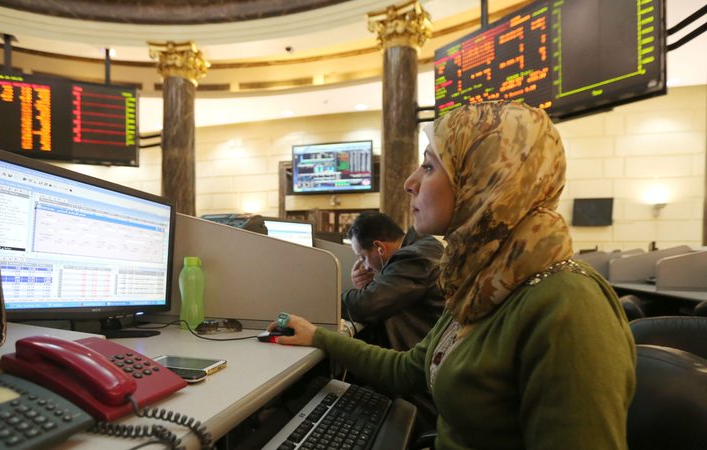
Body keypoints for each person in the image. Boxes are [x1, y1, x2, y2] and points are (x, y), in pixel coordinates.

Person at [272, 102, 636, 449]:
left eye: (429, 167)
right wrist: (319, 336)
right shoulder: (481, 281)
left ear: (486, 179)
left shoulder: (568, 305)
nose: (409, 182)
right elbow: (409, 368)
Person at [343, 211, 444, 352]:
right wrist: (365, 287)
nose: (364, 266)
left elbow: (366, 305)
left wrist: (333, 301)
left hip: (422, 359)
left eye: (363, 257)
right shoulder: (422, 245)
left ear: (380, 248)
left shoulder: (414, 258)